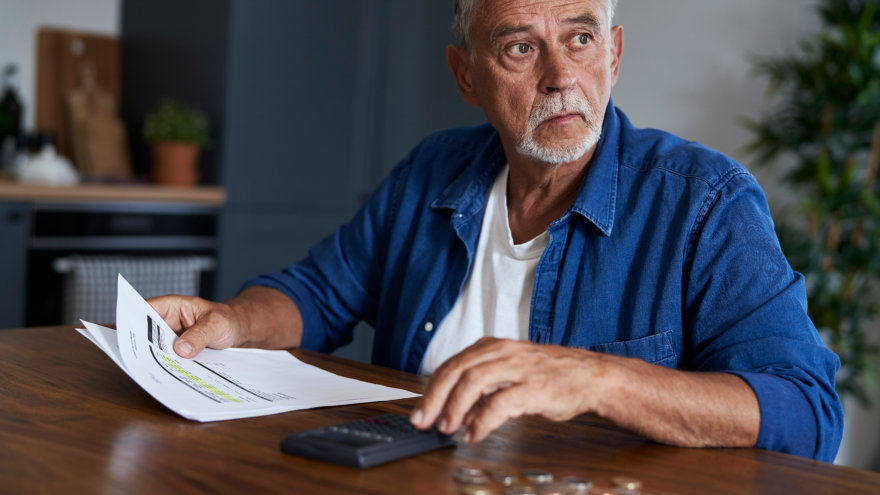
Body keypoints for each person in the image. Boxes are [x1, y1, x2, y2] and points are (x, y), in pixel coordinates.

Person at [150, 0, 844, 462]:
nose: (560, 76)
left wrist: (599, 380)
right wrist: (235, 320)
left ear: (615, 53)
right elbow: (317, 295)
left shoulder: (704, 200)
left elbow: (808, 414)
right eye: (520, 47)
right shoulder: (432, 171)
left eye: (580, 37)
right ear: (466, 77)